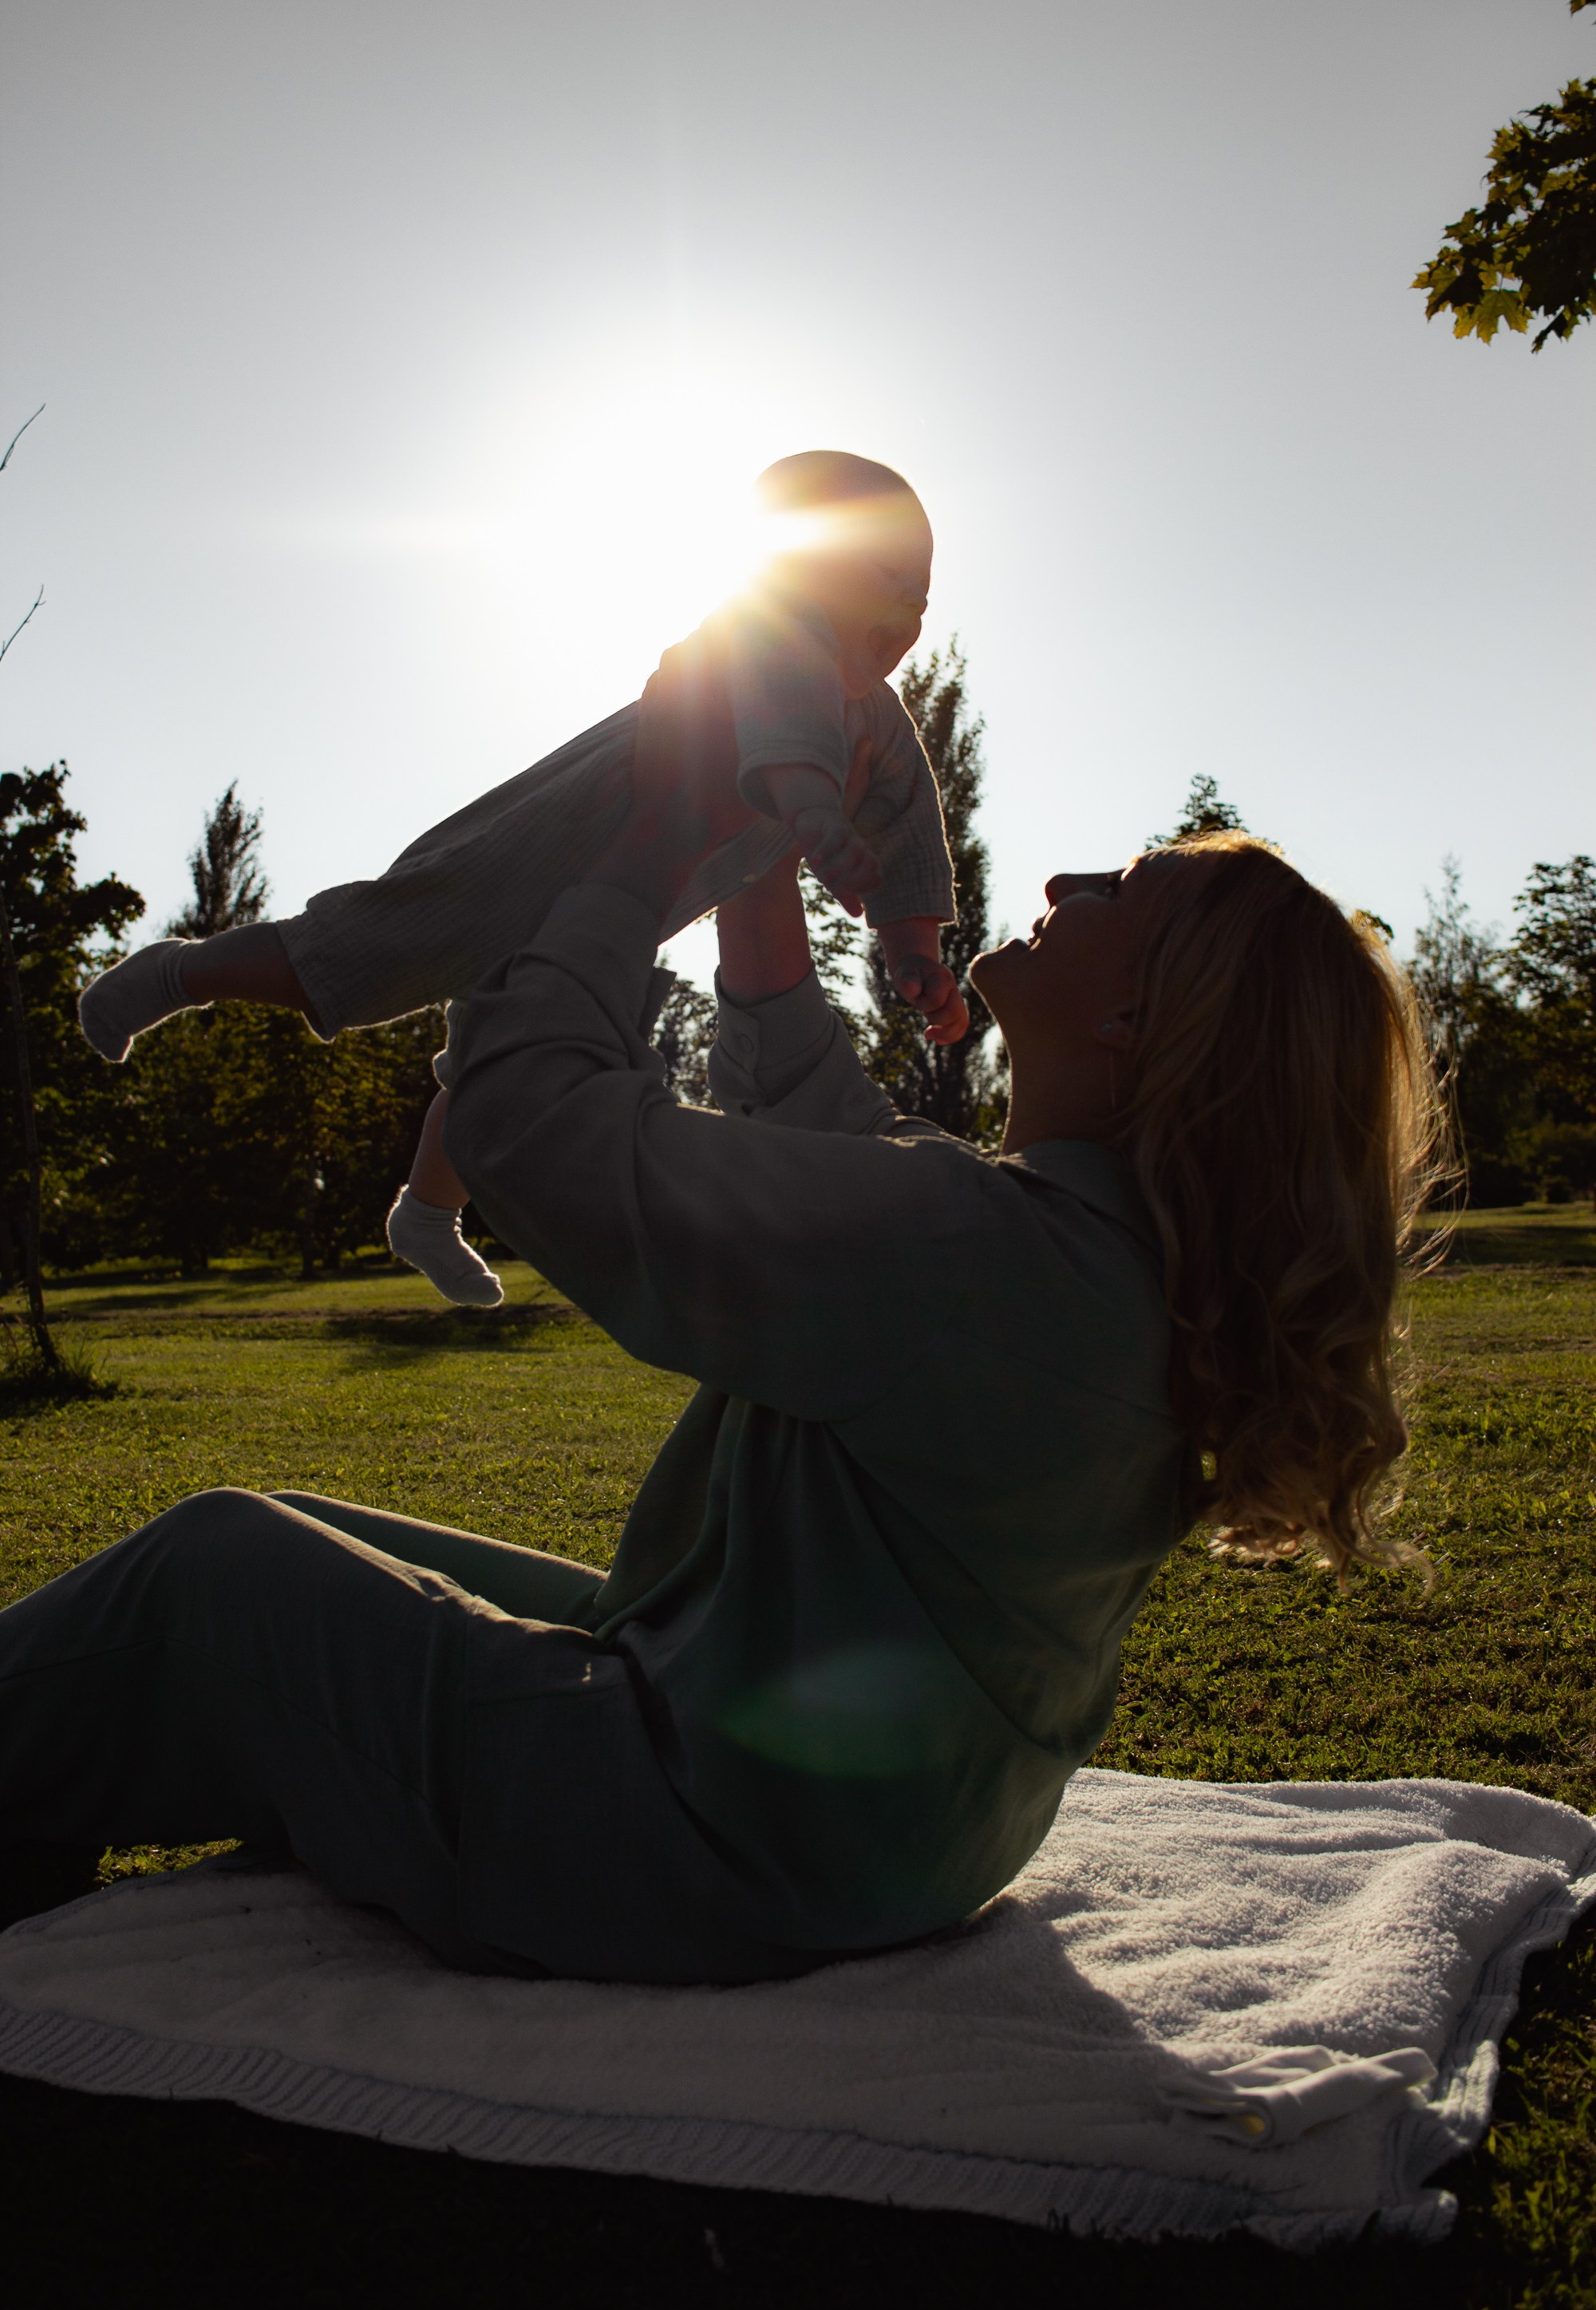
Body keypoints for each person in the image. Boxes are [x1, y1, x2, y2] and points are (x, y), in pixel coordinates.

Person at [0, 657, 1438, 1972]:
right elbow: (824, 1129)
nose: (1067, 879)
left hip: (684, 1837)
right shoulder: (1095, 1265)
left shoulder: (980, 1252)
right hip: (877, 1843)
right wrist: (758, 853)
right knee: (312, 1539)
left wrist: (640, 858)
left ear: (1139, 1020)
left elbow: (531, 1124)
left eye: (1123, 892)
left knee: (213, 1572)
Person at [77, 452, 966, 1309]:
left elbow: (907, 821)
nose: (906, 604)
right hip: (524, 861)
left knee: (509, 1044)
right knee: (362, 955)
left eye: (920, 591)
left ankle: (427, 1214)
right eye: (884, 572)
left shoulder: (877, 720)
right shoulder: (767, 632)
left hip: (604, 910)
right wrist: (812, 812)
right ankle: (180, 973)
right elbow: (787, 720)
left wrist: (912, 949)